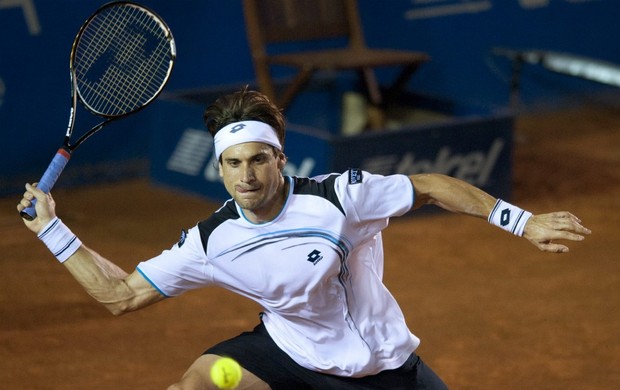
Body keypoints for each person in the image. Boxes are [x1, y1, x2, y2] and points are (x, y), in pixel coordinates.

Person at [17, 87, 591, 390]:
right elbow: (120, 295)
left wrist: (524, 221)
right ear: (219, 169)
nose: (247, 176)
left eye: (259, 160)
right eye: (233, 163)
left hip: (380, 368)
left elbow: (433, 186)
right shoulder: (211, 241)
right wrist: (50, 229)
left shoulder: (340, 196)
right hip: (288, 355)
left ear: (280, 159)